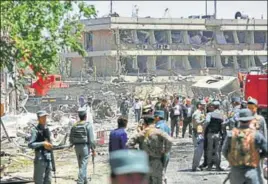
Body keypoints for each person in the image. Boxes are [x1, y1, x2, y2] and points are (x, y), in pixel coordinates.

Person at [222, 109, 268, 184]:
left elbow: (224, 151)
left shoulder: (231, 134)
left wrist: (232, 159)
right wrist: (258, 157)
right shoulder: (256, 135)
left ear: (239, 120)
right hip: (252, 171)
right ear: (251, 120)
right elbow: (266, 151)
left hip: (236, 172)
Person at [127, 115, 173, 184]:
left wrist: (137, 152)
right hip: (157, 162)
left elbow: (129, 144)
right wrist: (165, 151)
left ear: (145, 123)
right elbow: (170, 140)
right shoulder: (159, 132)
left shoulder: (142, 133)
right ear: (153, 122)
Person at [69, 107, 96, 184]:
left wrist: (72, 144)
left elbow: (70, 138)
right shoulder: (88, 125)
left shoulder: (74, 125)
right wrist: (93, 149)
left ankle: (85, 181)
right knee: (83, 165)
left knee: (81, 165)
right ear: (86, 116)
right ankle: (80, 182)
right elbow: (91, 140)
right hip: (85, 147)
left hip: (76, 148)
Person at [28, 110, 53, 184]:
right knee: (39, 180)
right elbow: (30, 144)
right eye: (42, 117)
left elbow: (49, 142)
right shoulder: (35, 130)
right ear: (38, 118)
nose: (44, 119)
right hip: (40, 158)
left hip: (48, 157)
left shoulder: (47, 129)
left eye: (45, 117)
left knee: (48, 180)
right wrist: (43, 143)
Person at [204, 101, 224, 171]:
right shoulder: (221, 114)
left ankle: (209, 166)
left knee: (209, 150)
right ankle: (218, 166)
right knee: (217, 151)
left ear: (213, 107)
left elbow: (207, 121)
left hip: (210, 134)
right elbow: (223, 124)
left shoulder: (210, 114)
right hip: (218, 134)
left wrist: (204, 129)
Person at [154, 110, 171, 183]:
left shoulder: (159, 126)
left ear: (158, 117)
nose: (154, 118)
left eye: (155, 117)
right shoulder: (166, 126)